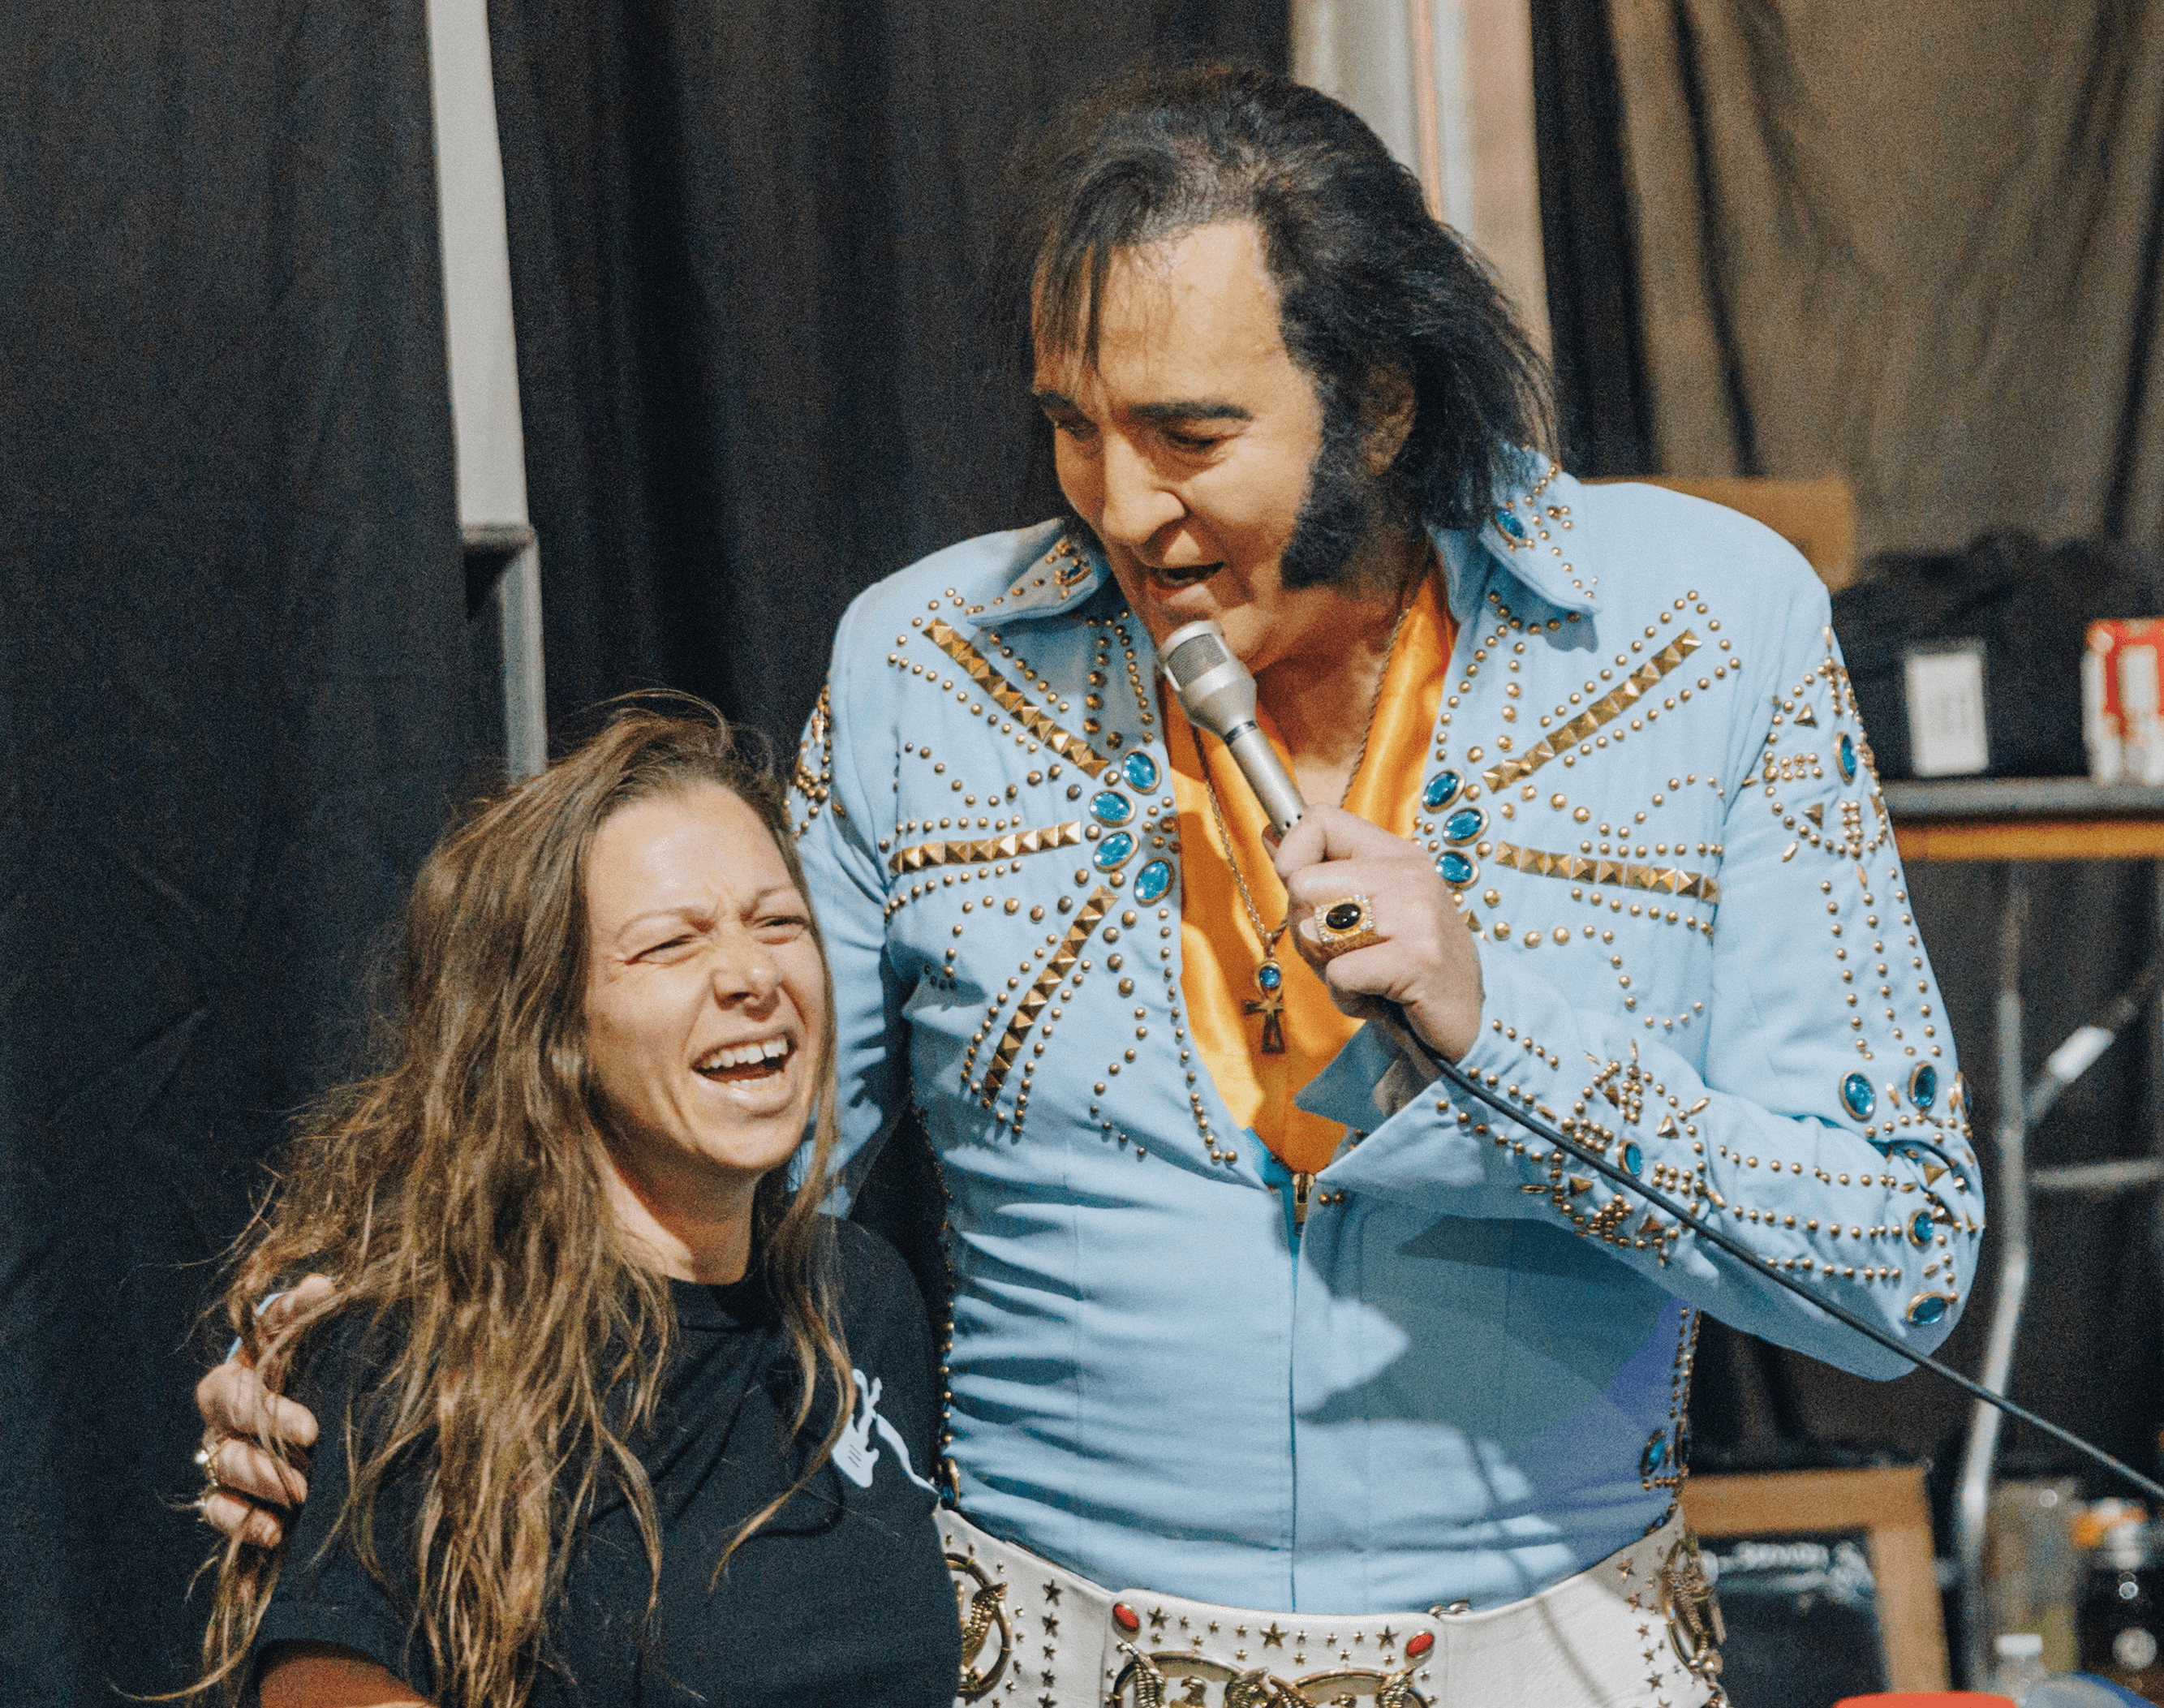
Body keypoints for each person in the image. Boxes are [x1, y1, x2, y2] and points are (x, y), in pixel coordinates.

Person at [200, 67, 1983, 1707]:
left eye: (1191, 434)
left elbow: (1898, 1263)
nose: (1120, 509)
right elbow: (712, 1154)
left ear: (1377, 397)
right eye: (1072, 427)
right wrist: (379, 1369)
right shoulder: (927, 661)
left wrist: (1499, 1030)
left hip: (1560, 1654)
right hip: (1042, 1658)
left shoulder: (1700, 628)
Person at [185, 706, 957, 1708]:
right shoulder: (431, 1336)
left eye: (779, 923)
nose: (751, 975)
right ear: (556, 1026)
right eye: (671, 945)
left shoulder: (859, 1292)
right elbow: (321, 1682)